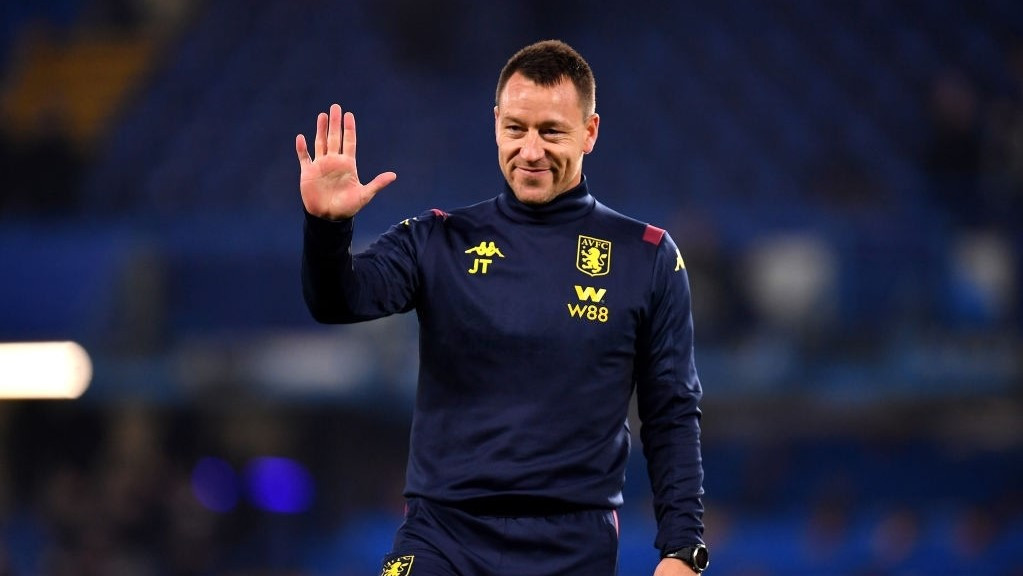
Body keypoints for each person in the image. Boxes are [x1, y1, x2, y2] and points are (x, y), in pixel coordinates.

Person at [296, 40, 708, 576]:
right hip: (442, 535)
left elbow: (671, 412)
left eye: (551, 132)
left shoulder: (646, 257)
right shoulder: (438, 239)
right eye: (516, 128)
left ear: (590, 132)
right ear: (495, 124)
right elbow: (338, 301)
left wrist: (682, 549)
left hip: (571, 547)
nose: (530, 151)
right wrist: (328, 229)